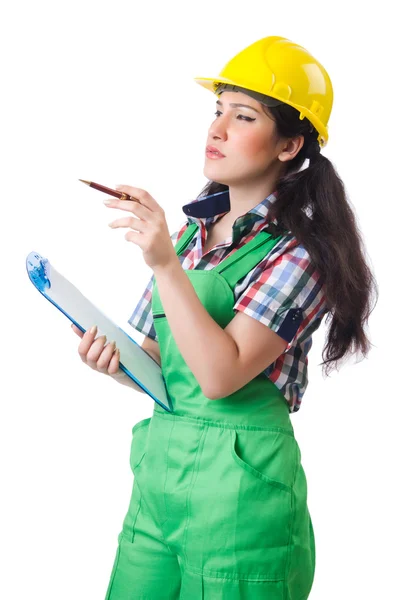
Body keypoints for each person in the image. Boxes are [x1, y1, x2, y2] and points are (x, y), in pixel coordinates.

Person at [72, 35, 378, 599]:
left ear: (289, 145)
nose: (216, 130)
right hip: (159, 485)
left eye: (243, 116)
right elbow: (163, 367)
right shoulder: (191, 235)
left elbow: (220, 376)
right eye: (217, 111)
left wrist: (163, 261)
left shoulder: (300, 253)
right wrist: (114, 362)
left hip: (241, 501)